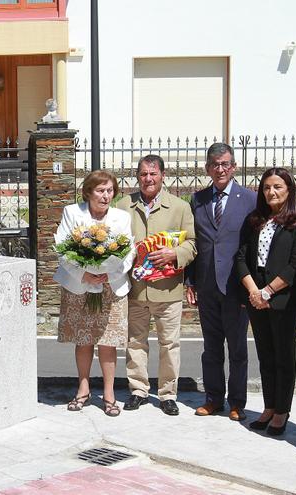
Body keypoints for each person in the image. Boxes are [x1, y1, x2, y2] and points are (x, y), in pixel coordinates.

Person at [117, 154, 196, 416]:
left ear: (163, 175)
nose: (148, 179)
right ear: (137, 177)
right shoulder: (123, 206)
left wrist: (175, 254)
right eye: (143, 174)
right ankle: (138, 390)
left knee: (169, 344)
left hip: (168, 289)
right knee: (135, 342)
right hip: (136, 288)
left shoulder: (180, 207)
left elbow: (192, 244)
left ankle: (167, 394)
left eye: (153, 174)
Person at [234, 167, 296, 436]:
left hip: (283, 300)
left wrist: (268, 291)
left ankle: (281, 411)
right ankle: (268, 406)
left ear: (289, 189)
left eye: (277, 186)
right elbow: (241, 257)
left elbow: (295, 265)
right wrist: (254, 291)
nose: (271, 192)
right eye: (267, 187)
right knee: (265, 355)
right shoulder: (254, 220)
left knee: (283, 356)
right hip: (256, 299)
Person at [54, 170, 134, 417]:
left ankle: (109, 393)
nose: (106, 195)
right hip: (79, 286)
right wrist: (84, 275)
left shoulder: (122, 217)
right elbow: (63, 250)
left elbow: (129, 251)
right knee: (84, 338)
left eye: (110, 190)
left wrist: (110, 273)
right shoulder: (72, 212)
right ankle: (83, 388)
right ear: (88, 192)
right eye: (100, 190)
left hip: (112, 286)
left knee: (108, 342)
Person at [186, 143, 256, 421]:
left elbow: (253, 245)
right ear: (207, 168)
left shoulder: (249, 199)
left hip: (236, 287)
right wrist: (190, 281)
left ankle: (237, 401)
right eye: (215, 164)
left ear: (234, 166)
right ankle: (213, 398)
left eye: (225, 164)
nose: (220, 169)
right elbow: (194, 243)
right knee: (211, 347)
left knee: (237, 348)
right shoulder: (198, 200)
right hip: (206, 286)